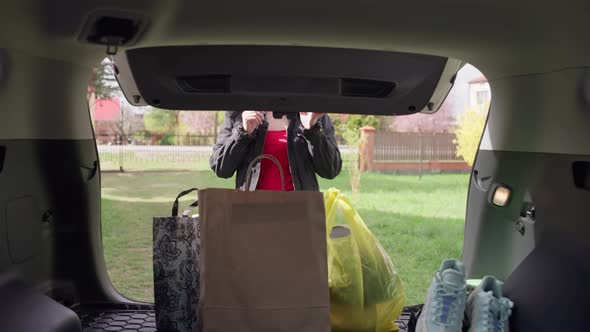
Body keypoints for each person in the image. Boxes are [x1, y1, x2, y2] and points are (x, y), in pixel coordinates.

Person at [210, 111, 342, 191]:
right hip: (251, 216)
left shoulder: (310, 111)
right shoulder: (240, 112)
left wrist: (311, 129)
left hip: (299, 217)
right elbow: (221, 168)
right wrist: (243, 131)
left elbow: (331, 170)